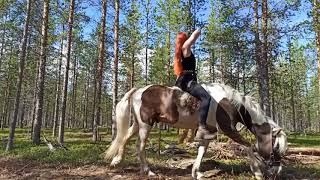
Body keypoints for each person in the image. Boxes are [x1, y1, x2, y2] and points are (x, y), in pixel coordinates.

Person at [174, 28, 215, 141]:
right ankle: (201, 128)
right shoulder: (185, 49)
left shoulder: (181, 52)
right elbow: (194, 37)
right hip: (187, 81)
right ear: (184, 40)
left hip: (185, 80)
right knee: (206, 97)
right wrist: (200, 29)